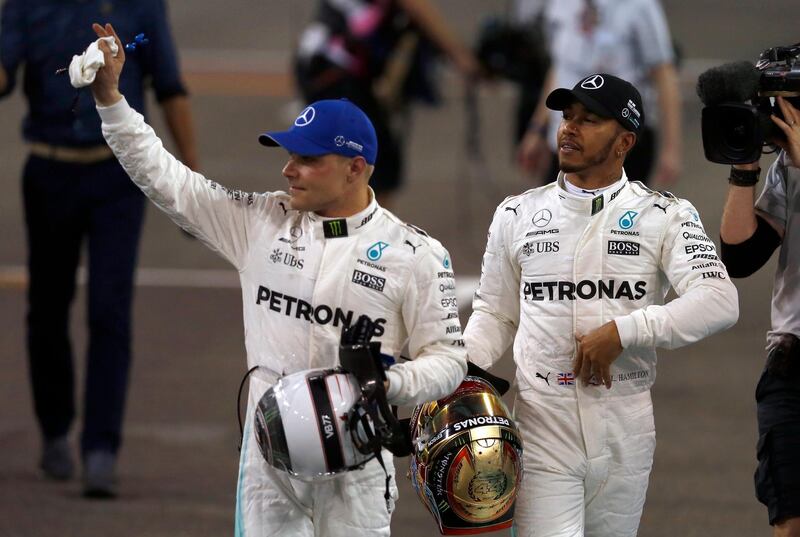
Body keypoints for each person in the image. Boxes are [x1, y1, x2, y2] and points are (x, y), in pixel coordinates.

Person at [88, 23, 467, 536]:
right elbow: (167, 180)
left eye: (308, 159)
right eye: (289, 154)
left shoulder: (417, 254)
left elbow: (448, 360)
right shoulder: (259, 222)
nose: (289, 170)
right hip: (269, 467)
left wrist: (388, 384)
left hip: (357, 473)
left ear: (356, 168)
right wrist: (112, 101)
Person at [463, 73, 739, 537]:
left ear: (624, 141)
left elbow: (719, 299)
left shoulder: (665, 215)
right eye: (567, 117)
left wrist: (624, 332)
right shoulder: (517, 213)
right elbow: (494, 313)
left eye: (589, 120)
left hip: (627, 425)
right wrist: (459, 375)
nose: (569, 129)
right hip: (542, 418)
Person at [0, 0, 197, 497]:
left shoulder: (142, 5)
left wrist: (190, 188)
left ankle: (100, 448)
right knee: (46, 309)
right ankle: (54, 429)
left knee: (110, 312)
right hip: (48, 171)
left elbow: (169, 85)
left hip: (117, 178)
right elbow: (4, 72)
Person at [294, 0, 480, 209]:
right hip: (336, 69)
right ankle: (366, 235)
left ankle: (350, 230)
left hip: (322, 62)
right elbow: (419, 9)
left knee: (353, 163)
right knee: (369, 167)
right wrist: (463, 58)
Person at [718, 95, 800, 537]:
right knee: (789, 523)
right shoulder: (787, 167)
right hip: (792, 363)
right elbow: (741, 256)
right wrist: (744, 166)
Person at [516, 0, 681, 187]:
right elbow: (560, 68)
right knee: (560, 210)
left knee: (615, 213)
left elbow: (664, 73)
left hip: (618, 144)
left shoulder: (640, 6)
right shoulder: (559, 4)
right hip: (567, 139)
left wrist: (671, 149)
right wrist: (537, 129)